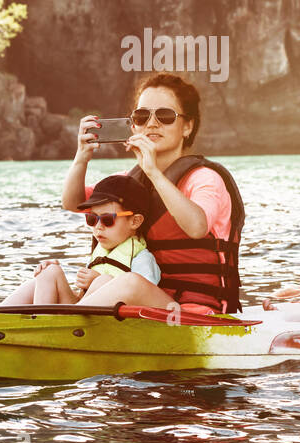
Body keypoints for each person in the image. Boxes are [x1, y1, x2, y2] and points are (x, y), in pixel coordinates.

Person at [62, 72, 246, 313]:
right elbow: (73, 203)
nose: (151, 123)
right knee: (46, 273)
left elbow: (197, 226)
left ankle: (67, 324)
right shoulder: (129, 181)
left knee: (129, 281)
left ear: (187, 126)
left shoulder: (205, 179)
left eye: (165, 116)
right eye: (141, 116)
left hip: (196, 311)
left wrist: (153, 171)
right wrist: (81, 157)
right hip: (139, 307)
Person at [1, 175, 160, 305]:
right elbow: (81, 296)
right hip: (81, 313)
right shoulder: (101, 253)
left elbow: (142, 295)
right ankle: (36, 320)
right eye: (91, 219)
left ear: (135, 221)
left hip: (110, 323)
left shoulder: (142, 259)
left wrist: (99, 281)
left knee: (102, 280)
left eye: (107, 220)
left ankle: (46, 329)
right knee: (49, 272)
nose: (98, 226)